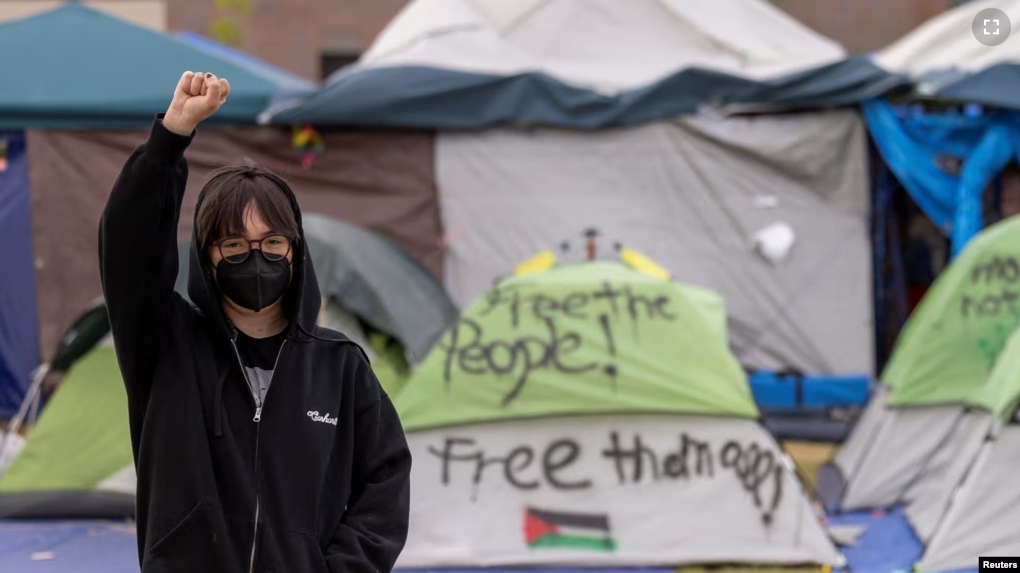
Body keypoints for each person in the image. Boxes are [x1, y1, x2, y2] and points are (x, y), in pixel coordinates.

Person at [99, 71, 411, 572]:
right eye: (234, 246)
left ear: (295, 252)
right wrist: (170, 139)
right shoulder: (165, 346)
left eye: (271, 244)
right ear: (207, 257)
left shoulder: (341, 368)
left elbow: (386, 482)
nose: (255, 258)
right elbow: (128, 246)